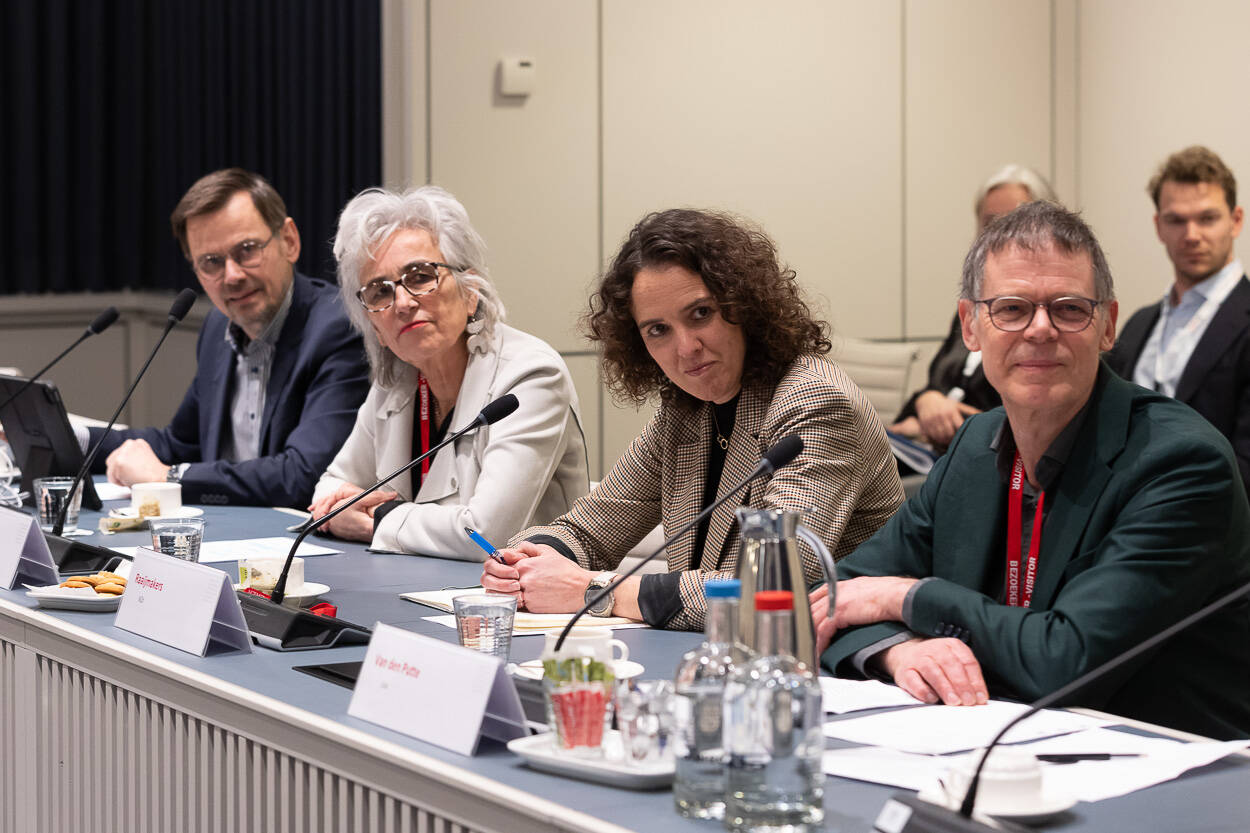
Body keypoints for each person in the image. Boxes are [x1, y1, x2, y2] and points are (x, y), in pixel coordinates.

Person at [814, 201, 1250, 740]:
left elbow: (1068, 661)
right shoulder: (976, 444)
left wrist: (907, 598)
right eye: (1012, 308)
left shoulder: (1180, 463)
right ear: (970, 327)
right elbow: (836, 595)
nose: (1040, 330)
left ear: (1108, 325)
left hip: (1163, 772)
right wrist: (898, 652)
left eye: (1068, 309)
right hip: (985, 750)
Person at [480, 209, 905, 631]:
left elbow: (766, 588)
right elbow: (590, 528)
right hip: (715, 654)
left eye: (700, 314)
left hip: (837, 664)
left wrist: (595, 590)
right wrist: (526, 561)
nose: (685, 348)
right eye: (658, 330)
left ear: (744, 306)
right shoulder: (685, 410)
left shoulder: (814, 402)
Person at [308, 186, 590, 559]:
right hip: (414, 588)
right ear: (374, 327)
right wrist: (350, 513)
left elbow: (487, 534)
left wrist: (380, 520)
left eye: (421, 275)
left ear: (470, 290)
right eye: (379, 292)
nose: (403, 302)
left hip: (524, 604)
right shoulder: (396, 382)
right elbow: (331, 489)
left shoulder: (531, 375)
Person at [84, 168, 370, 507]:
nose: (231, 275)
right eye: (211, 262)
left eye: (247, 250)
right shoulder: (217, 329)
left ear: (290, 241)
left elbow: (302, 475)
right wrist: (69, 439)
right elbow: (179, 444)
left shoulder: (339, 328)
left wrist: (169, 479)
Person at [1105, 146, 1249, 489]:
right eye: (1176, 220)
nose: (1192, 235)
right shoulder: (1138, 324)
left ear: (1236, 221)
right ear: (1158, 226)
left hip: (1212, 524)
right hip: (1118, 510)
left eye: (1207, 218)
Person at [891, 165, 1058, 451]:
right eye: (991, 224)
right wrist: (926, 400)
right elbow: (934, 388)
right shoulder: (972, 310)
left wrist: (943, 422)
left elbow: (1036, 424)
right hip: (931, 456)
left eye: (1016, 223)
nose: (1002, 235)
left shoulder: (1050, 320)